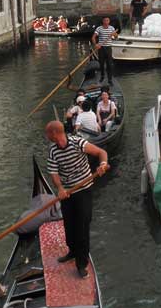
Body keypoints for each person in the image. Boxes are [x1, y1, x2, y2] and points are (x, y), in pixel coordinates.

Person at [44, 121, 109, 278]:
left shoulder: (77, 142)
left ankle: (81, 263)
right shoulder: (53, 150)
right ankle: (72, 251)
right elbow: (54, 172)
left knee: (82, 227)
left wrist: (103, 164)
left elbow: (101, 153)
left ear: (54, 133)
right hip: (67, 192)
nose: (46, 137)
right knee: (69, 225)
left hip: (84, 190)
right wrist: (60, 188)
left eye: (47, 134)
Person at [92, 16, 118, 84]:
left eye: (108, 20)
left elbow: (116, 37)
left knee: (109, 64)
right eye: (105, 20)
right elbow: (93, 37)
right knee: (101, 64)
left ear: (109, 21)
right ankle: (102, 76)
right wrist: (96, 44)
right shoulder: (99, 28)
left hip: (108, 48)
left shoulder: (112, 28)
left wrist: (115, 34)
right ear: (103, 21)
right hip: (101, 48)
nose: (106, 22)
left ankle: (110, 79)